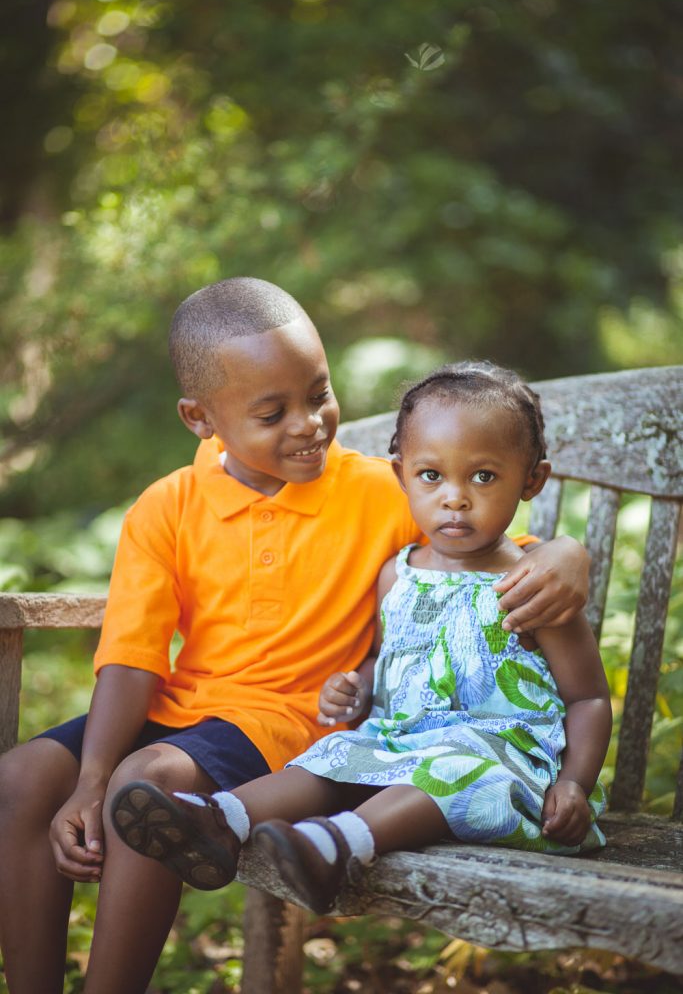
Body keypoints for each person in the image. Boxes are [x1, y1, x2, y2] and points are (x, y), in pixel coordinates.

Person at [0, 280, 590, 994]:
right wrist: (85, 783)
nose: (309, 424)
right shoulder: (167, 508)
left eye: (318, 394)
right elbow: (131, 660)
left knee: (143, 781)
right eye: (272, 412)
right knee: (25, 777)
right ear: (200, 417)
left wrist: (568, 554)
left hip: (290, 723)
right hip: (186, 709)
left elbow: (494, 542)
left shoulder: (381, 489)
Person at [110, 360, 612, 917]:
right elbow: (385, 657)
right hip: (400, 745)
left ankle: (336, 847)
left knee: (447, 769)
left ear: (532, 481)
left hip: (498, 766)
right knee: (331, 756)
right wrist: (355, 686)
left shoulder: (531, 587)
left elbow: (587, 698)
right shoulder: (398, 573)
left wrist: (575, 784)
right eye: (431, 476)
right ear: (401, 476)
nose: (455, 498)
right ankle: (219, 819)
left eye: (484, 477)